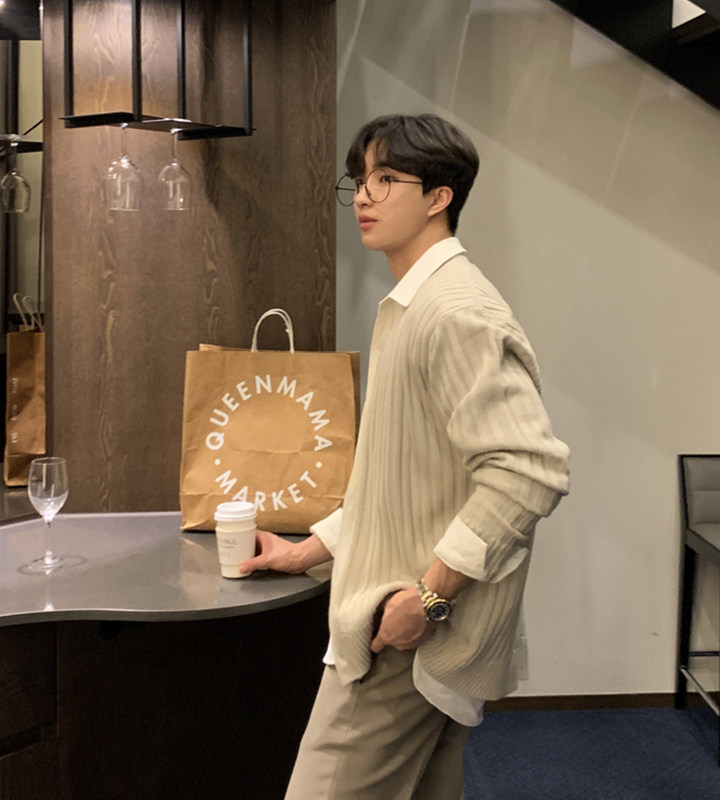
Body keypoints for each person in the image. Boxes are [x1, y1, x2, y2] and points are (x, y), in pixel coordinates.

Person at [240, 113, 570, 800]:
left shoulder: (453, 312)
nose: (363, 196)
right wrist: (308, 551)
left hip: (403, 636)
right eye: (360, 180)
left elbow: (527, 471)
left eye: (386, 178)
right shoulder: (414, 305)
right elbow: (404, 482)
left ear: (439, 196)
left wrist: (428, 598)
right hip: (407, 623)